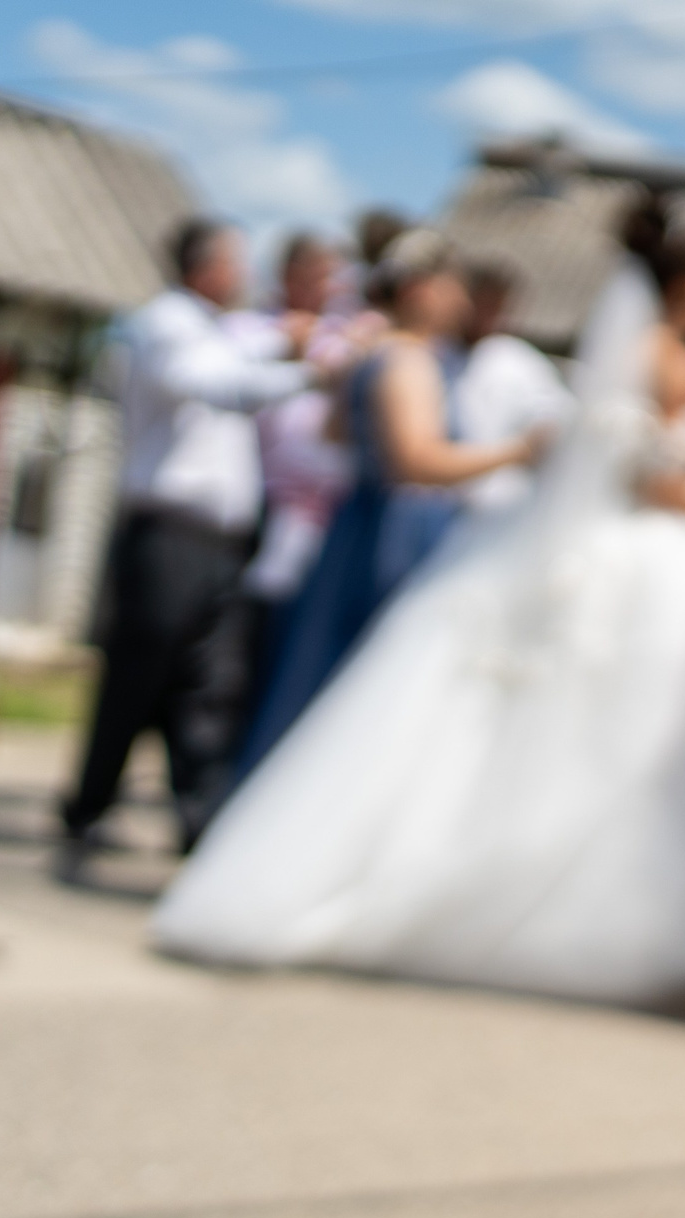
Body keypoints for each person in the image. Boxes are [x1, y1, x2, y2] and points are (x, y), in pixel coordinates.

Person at [150, 199, 685, 1000]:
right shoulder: (630, 360)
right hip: (451, 530)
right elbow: (643, 479)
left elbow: (331, 441)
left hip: (418, 531)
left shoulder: (395, 356)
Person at [58, 217, 315, 872]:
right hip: (168, 532)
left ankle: (198, 819)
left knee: (208, 683)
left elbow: (242, 365)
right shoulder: (167, 324)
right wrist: (315, 369)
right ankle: (88, 808)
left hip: (220, 539)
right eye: (237, 262)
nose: (246, 276)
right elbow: (225, 385)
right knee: (140, 679)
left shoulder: (215, 332)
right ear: (206, 267)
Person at [237, 229, 543, 773]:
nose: (460, 301)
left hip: (357, 526)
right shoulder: (409, 358)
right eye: (452, 286)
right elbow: (415, 462)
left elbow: (334, 436)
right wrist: (518, 451)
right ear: (422, 287)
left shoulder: (366, 353)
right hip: (402, 534)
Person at [235, 235, 359, 665]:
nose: (329, 287)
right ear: (290, 276)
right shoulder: (251, 331)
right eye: (320, 276)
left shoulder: (347, 342)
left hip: (320, 513)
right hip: (251, 500)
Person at [451, 260, 573, 515]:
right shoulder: (436, 353)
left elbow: (555, 414)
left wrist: (525, 448)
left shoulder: (514, 357)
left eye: (497, 308)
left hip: (496, 502)